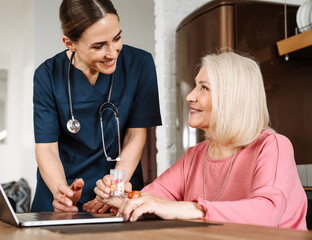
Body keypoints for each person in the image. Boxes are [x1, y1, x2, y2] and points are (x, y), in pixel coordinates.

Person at [94, 50, 308, 230]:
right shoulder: (196, 155)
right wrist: (122, 199)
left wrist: (185, 208)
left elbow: (267, 213)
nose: (190, 96)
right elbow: (153, 198)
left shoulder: (273, 146)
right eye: (196, 86)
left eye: (204, 87)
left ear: (231, 97)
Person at [31, 0, 162, 213]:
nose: (112, 53)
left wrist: (114, 190)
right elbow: (46, 147)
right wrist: (61, 193)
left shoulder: (140, 64)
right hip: (62, 190)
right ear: (69, 43)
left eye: (117, 38)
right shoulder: (47, 75)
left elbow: (135, 136)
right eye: (98, 46)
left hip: (117, 188)